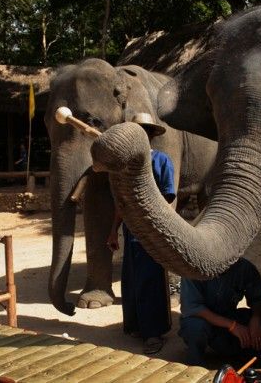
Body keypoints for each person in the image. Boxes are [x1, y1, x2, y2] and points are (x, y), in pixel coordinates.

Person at [107, 113, 175, 355]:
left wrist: (159, 226)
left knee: (151, 281)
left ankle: (153, 332)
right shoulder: (124, 167)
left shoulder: (162, 161)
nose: (141, 136)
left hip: (152, 231)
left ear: (150, 136)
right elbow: (121, 202)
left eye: (145, 132)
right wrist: (114, 231)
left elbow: (168, 197)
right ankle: (135, 326)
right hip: (131, 231)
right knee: (132, 280)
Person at [178, 258, 261, 369]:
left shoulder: (243, 267)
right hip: (204, 321)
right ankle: (194, 364)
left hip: (228, 318)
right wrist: (232, 325)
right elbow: (193, 307)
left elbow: (260, 299)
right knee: (194, 326)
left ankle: (250, 361)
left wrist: (256, 319)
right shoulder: (193, 268)